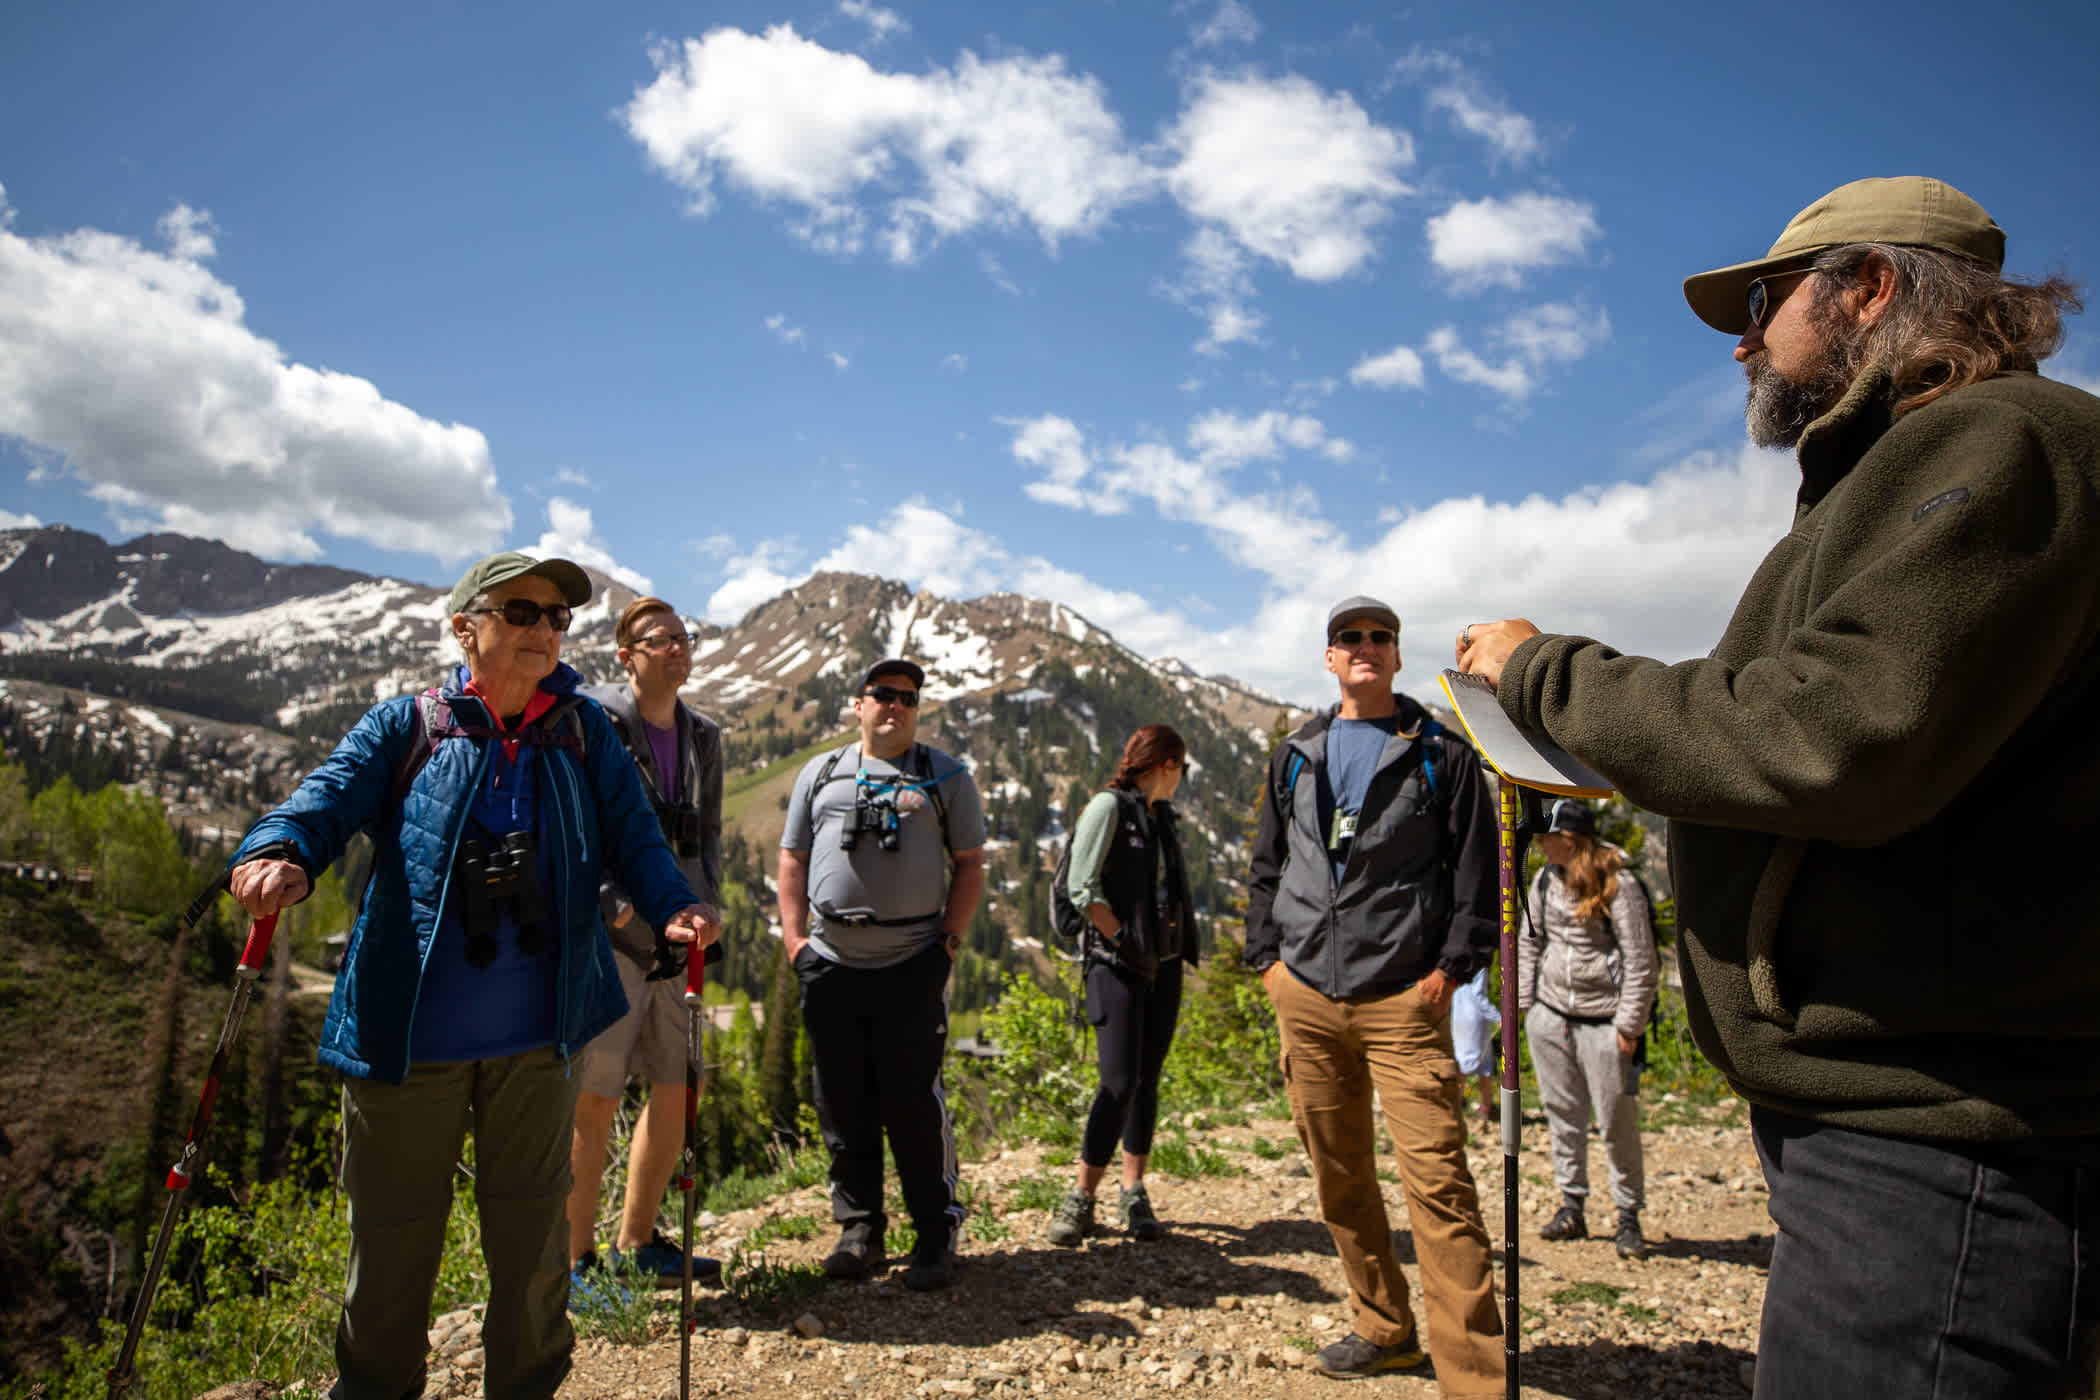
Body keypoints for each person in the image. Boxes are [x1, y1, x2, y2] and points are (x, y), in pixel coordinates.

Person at [1457, 176, 2100, 1399]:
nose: (1747, 337)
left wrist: (1546, 673)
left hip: (1945, 1138)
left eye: (1763, 299)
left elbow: (1828, 732)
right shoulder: (1899, 476)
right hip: (1898, 1114)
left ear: (1868, 286)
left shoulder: (2002, 442)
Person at [227, 552, 718, 1400]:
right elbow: (325, 798)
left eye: (558, 617)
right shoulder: (406, 726)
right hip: (405, 1038)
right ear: (467, 627)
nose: (544, 629)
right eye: (522, 611)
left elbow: (636, 837)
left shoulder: (582, 731)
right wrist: (278, 851)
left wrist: (673, 903)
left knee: (532, 1252)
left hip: (542, 1038)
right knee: (391, 1247)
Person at [1245, 596, 1503, 1396]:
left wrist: (1453, 969)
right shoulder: (1296, 754)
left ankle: (1475, 1380)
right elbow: (1266, 867)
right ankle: (1384, 1330)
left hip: (1405, 999)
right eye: (1348, 638)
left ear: (1395, 657)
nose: (1364, 647)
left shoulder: (1441, 755)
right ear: (1330, 660)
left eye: (1378, 638)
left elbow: (1477, 875)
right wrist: (1267, 962)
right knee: (1341, 1175)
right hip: (1307, 994)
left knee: (1440, 1187)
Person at [779, 659, 987, 1292]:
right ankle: (861, 1230)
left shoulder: (945, 775)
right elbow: (791, 860)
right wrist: (795, 945)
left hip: (910, 966)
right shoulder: (820, 773)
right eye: (883, 695)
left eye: (908, 697)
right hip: (832, 966)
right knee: (842, 1103)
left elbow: (971, 865)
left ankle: (934, 1231)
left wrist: (946, 946)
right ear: (857, 704)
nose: (895, 705)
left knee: (913, 1103)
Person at [566, 596, 726, 1293]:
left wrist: (711, 903)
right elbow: (579, 825)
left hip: (682, 935)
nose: (676, 649)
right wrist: (615, 907)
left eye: (683, 638)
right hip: (614, 936)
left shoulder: (704, 739)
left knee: (676, 1089)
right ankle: (574, 1263)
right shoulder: (596, 725)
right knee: (594, 1099)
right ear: (625, 655)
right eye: (659, 640)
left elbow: (710, 835)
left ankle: (638, 1242)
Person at [1046, 724, 1199, 1248]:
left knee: (1146, 1080)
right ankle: (1082, 1195)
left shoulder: (1161, 817)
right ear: (1167, 765)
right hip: (1117, 964)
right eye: (1182, 768)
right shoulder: (1108, 808)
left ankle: (1134, 1190)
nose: (1182, 778)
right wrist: (1123, 941)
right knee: (1117, 1082)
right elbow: (1080, 886)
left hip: (1165, 963)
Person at [1518, 798, 1656, 1259]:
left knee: (1615, 1121)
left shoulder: (1619, 883)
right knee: (1563, 1113)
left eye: (1546, 835)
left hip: (1604, 1020)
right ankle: (1571, 1204)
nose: (1538, 843)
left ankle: (1628, 1214)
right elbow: (1529, 941)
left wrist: (1630, 1023)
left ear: (1569, 838)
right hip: (1552, 1015)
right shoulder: (1544, 881)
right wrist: (1524, 1007)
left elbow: (1640, 958)